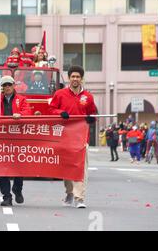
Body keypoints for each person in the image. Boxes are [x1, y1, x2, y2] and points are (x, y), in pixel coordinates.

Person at [48, 65, 97, 209]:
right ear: (69, 78)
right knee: (67, 168)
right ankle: (69, 193)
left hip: (81, 138)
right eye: (73, 76)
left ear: (82, 79)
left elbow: (93, 113)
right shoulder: (60, 94)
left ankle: (79, 198)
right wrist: (60, 113)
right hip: (64, 137)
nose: (75, 79)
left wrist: (91, 119)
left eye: (78, 77)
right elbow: (51, 109)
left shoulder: (88, 97)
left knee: (81, 168)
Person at [0, 76, 33, 206]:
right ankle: (6, 196)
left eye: (9, 85)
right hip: (1, 137)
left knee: (19, 166)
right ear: (2, 87)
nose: (7, 87)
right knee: (2, 168)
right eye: (5, 85)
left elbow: (28, 111)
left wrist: (21, 115)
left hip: (18, 137)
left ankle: (17, 189)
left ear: (13, 85)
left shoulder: (21, 99)